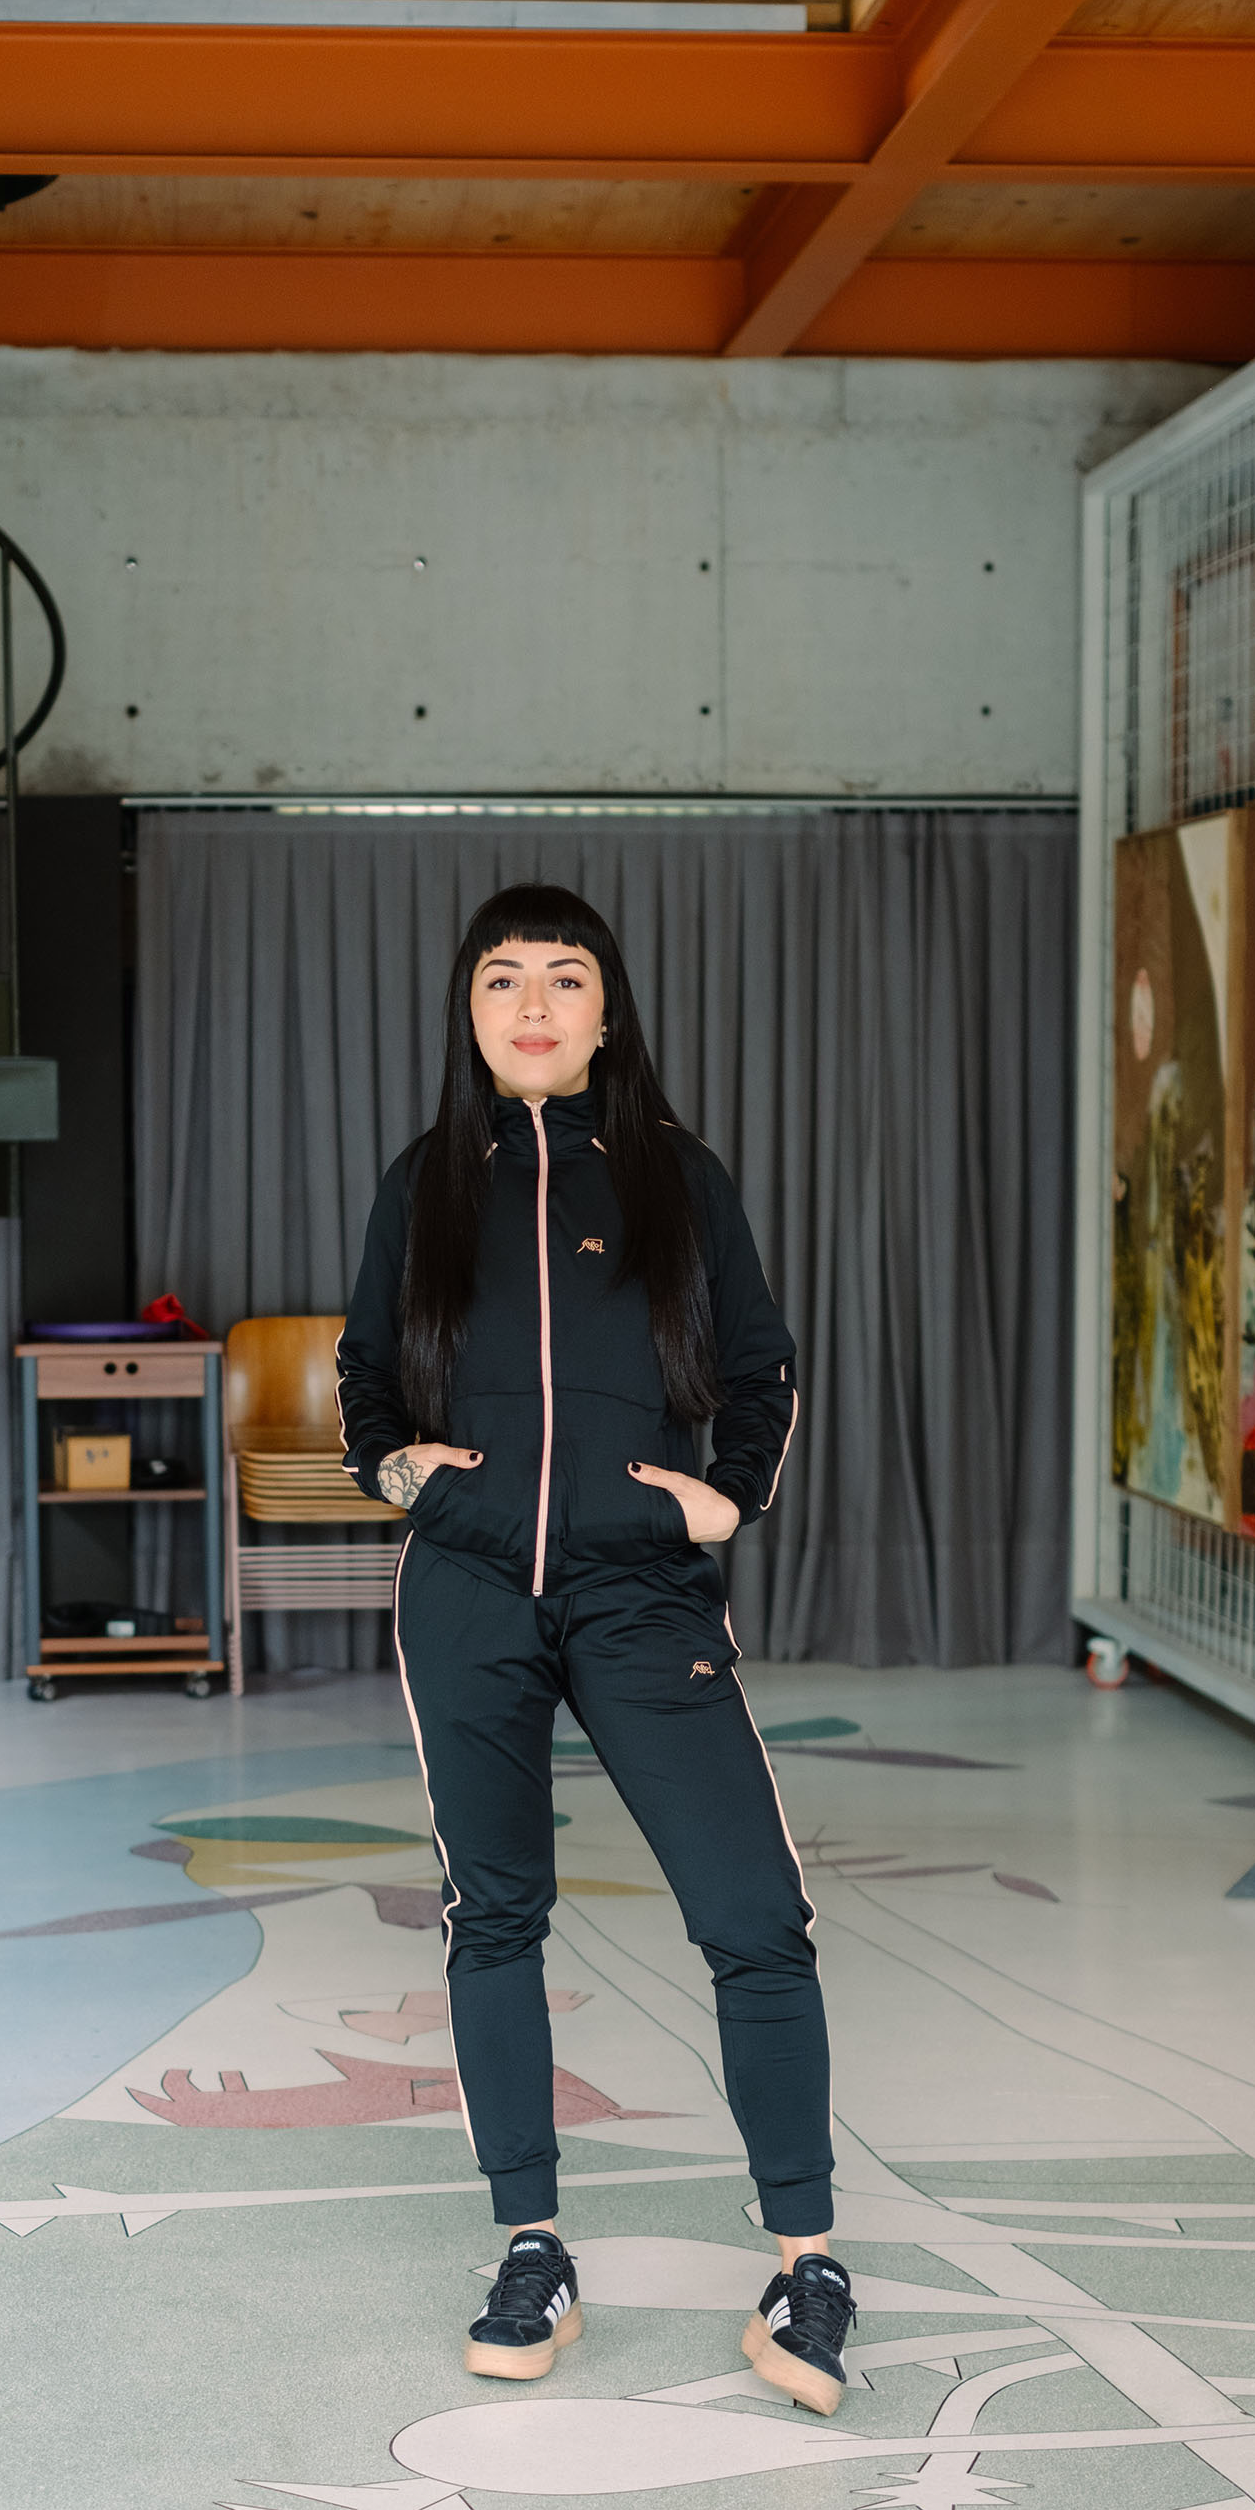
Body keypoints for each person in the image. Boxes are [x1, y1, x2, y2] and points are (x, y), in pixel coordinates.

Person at [337, 884, 853, 2414]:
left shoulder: (679, 1176)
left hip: (641, 1592)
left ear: (607, 1012)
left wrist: (725, 1497)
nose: (533, 1003)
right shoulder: (426, 1180)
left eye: (564, 977)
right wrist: (400, 1471)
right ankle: (530, 2247)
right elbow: (365, 1372)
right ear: (470, 1011)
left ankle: (807, 2262)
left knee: (753, 1914)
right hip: (470, 1586)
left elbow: (759, 1367)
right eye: (503, 978)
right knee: (492, 1914)